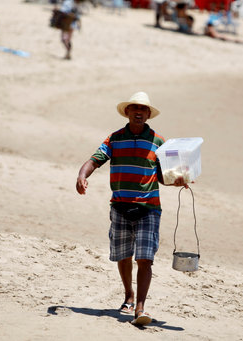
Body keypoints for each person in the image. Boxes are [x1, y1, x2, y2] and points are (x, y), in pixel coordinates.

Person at [76, 92, 187, 326]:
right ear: (127, 112)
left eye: (143, 109)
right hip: (119, 206)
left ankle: (140, 308)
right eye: (134, 108)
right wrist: (82, 175)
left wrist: (177, 180)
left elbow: (165, 176)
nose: (138, 111)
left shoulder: (158, 141)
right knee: (123, 255)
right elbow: (95, 160)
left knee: (145, 258)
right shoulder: (115, 139)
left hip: (148, 208)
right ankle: (128, 294)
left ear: (148, 114)